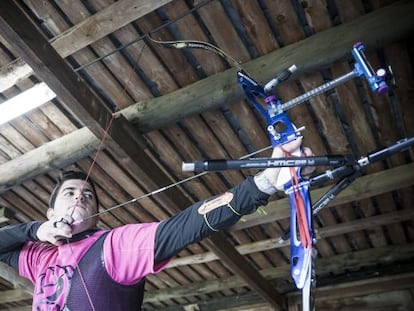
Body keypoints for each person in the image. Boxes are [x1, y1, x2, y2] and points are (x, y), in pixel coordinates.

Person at [0, 138, 311, 310]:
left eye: (89, 197)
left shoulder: (112, 246)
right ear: (51, 209)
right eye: (69, 193)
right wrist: (34, 230)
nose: (80, 198)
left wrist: (262, 185)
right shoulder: (39, 256)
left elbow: (185, 226)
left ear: (96, 215)